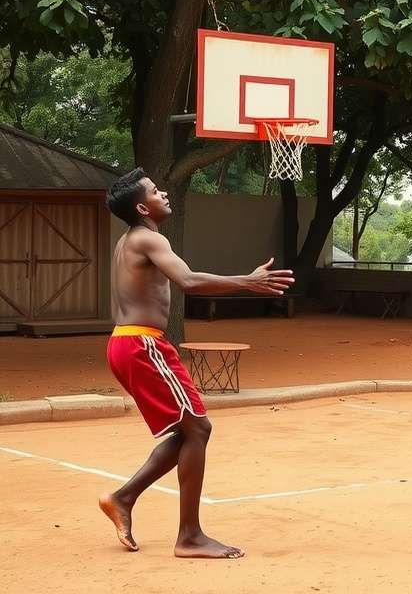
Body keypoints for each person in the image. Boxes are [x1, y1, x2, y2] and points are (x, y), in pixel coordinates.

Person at [99, 168, 294, 558]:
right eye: (155, 191)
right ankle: (188, 537)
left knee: (190, 431)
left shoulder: (130, 240)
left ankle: (124, 498)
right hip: (142, 344)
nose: (163, 193)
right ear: (142, 208)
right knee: (198, 429)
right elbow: (187, 280)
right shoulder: (148, 238)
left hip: (129, 343)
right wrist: (247, 281)